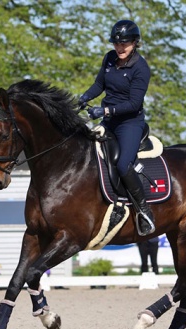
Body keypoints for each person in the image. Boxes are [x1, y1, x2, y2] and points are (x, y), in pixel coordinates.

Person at [79, 20, 155, 236]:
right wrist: (84, 97)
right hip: (109, 122)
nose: (120, 48)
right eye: (117, 44)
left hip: (129, 123)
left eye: (125, 44)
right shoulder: (110, 58)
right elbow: (99, 85)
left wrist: (104, 112)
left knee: (122, 164)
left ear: (135, 43)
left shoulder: (141, 68)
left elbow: (133, 103)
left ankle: (144, 210)